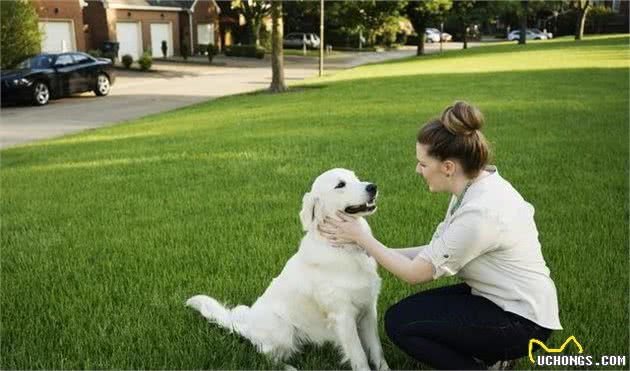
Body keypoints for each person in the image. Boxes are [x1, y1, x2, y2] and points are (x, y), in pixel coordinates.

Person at [318, 101, 562, 370]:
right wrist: (364, 246)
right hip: (498, 298)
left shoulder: (479, 215)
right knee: (407, 312)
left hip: (522, 322)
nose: (417, 170)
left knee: (402, 325)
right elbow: (433, 250)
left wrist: (363, 239)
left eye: (423, 164)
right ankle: (493, 354)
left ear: (447, 167)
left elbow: (415, 273)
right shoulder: (474, 185)